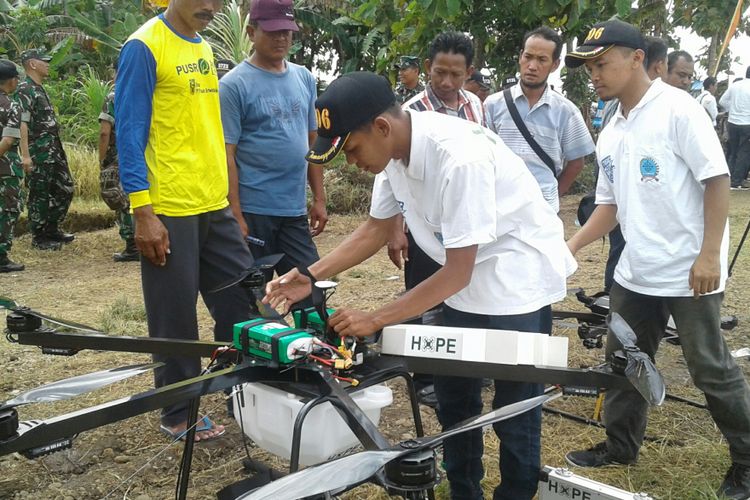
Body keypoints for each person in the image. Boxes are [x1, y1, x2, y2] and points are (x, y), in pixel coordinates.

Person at [266, 71, 575, 500]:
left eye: (351, 149)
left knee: (513, 411)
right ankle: (464, 491)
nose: (351, 161)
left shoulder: (458, 158)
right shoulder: (393, 153)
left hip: (514, 282)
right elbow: (375, 229)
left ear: (381, 127)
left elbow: (456, 271)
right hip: (464, 282)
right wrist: (311, 275)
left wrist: (375, 319)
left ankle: (516, 493)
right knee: (455, 401)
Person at [563, 20, 750, 500]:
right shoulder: (611, 124)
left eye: (601, 63)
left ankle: (747, 462)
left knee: (710, 367)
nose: (595, 75)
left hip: (690, 268)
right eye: (589, 67)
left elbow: (717, 180)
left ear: (634, 58)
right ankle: (620, 446)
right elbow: (611, 205)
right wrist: (572, 246)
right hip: (636, 271)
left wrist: (710, 254)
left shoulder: (678, 109)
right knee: (624, 358)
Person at [116, 0, 256, 441]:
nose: (211, 6)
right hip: (169, 207)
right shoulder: (144, 46)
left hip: (212, 202)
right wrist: (143, 211)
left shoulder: (203, 48)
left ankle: (245, 392)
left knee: (240, 300)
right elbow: (129, 130)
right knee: (174, 318)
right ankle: (177, 411)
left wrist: (231, 202)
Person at [390, 31, 486, 408]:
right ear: (428, 67)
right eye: (440, 72)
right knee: (421, 296)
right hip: (424, 223)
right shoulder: (410, 112)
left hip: (462, 222)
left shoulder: (476, 106)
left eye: (455, 75)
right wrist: (397, 229)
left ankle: (459, 369)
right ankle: (422, 375)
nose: (446, 82)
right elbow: (394, 175)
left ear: (469, 72)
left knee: (459, 296)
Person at [219, 0, 326, 290]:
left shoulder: (304, 77)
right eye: (273, 31)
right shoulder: (233, 86)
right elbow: (227, 154)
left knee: (309, 288)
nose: (281, 38)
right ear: (252, 32)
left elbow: (312, 141)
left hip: (292, 211)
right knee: (251, 297)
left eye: (287, 32)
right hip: (255, 212)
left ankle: (309, 336)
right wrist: (236, 215)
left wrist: (319, 198)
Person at [484, 26, 595, 212]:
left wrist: (552, 195)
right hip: (499, 206)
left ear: (555, 64)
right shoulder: (493, 104)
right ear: (520, 57)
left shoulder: (566, 111)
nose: (532, 66)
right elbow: (484, 154)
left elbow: (577, 163)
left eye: (542, 59)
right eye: (528, 57)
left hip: (543, 210)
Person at [15, 49, 75, 251]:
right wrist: (25, 155)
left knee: (65, 188)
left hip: (53, 151)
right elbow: (22, 123)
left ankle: (52, 228)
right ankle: (39, 236)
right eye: (44, 61)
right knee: (39, 194)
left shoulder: (39, 88)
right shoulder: (25, 89)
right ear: (32, 64)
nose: (48, 64)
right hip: (37, 152)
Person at [98, 63, 138, 262]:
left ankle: (132, 245)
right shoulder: (144, 92)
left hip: (118, 156)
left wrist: (102, 159)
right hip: (142, 153)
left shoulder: (114, 97)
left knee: (122, 200)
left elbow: (105, 132)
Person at [0, 60, 25, 273]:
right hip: (5, 169)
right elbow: (7, 141)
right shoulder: (11, 106)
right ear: (12, 80)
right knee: (8, 209)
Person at [719, 67, 750, 190]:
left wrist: (731, 110)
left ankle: (729, 178)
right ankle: (736, 181)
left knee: (733, 151)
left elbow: (722, 101)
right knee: (744, 152)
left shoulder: (736, 85)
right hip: (747, 123)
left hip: (732, 122)